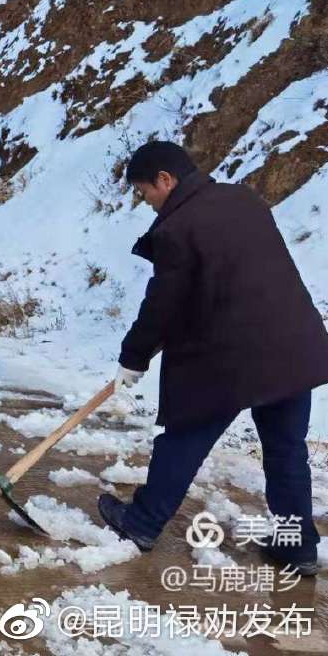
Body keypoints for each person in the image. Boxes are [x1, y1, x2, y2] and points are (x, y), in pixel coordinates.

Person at [97, 141, 328, 574]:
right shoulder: (245, 199)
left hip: (235, 355)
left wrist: (133, 357)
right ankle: (297, 547)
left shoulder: (177, 229)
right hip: (295, 346)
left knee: (184, 435)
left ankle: (141, 522)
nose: (147, 203)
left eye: (145, 193)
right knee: (286, 449)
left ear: (165, 179)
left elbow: (163, 305)